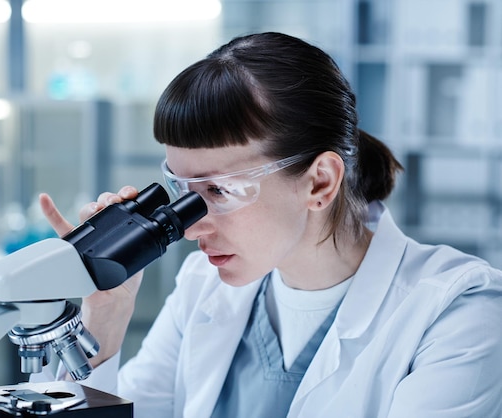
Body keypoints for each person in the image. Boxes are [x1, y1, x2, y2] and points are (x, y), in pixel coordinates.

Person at [38, 32, 502, 417]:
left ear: (320, 182)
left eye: (219, 190)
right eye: (182, 192)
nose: (191, 229)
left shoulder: (459, 313)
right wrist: (105, 319)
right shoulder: (203, 285)